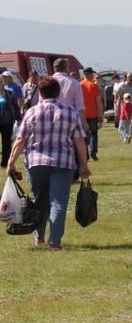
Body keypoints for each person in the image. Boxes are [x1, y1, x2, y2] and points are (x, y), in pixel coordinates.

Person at [5, 76, 92, 251]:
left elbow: (21, 140)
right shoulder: (70, 112)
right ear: (58, 92)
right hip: (63, 162)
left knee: (39, 200)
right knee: (58, 203)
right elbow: (79, 141)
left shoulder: (32, 112)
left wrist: (11, 162)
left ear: (41, 93)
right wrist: (84, 164)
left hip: (36, 162)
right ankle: (55, 241)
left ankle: (38, 237)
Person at [52, 57, 86, 131]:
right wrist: (83, 123)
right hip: (69, 118)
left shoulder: (46, 82)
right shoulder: (74, 83)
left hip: (50, 118)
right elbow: (79, 106)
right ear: (67, 68)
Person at [80, 67, 104, 162]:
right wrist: (100, 115)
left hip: (82, 113)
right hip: (93, 113)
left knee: (84, 135)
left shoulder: (79, 85)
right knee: (94, 134)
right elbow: (98, 102)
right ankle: (93, 152)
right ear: (90, 74)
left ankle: (85, 154)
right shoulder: (94, 86)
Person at [1, 70, 22, 168]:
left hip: (7, 121)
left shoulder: (9, 93)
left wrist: (18, 118)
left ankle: (5, 162)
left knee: (6, 143)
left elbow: (15, 106)